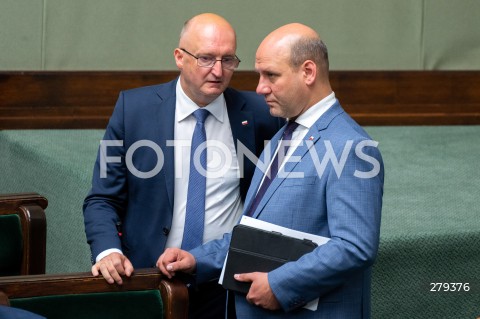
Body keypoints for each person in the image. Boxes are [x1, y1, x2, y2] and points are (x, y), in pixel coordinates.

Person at [157, 23, 384, 318]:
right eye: (259, 75)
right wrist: (197, 259)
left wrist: (279, 284)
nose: (260, 88)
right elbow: (254, 232)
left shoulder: (351, 146)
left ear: (308, 72)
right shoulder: (283, 134)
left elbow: (355, 247)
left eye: (271, 76)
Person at [83, 13, 283, 319]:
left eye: (228, 60)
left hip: (224, 284)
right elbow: (102, 198)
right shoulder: (133, 110)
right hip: (149, 279)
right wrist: (109, 251)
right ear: (180, 57)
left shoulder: (258, 112)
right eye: (206, 58)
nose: (218, 71)